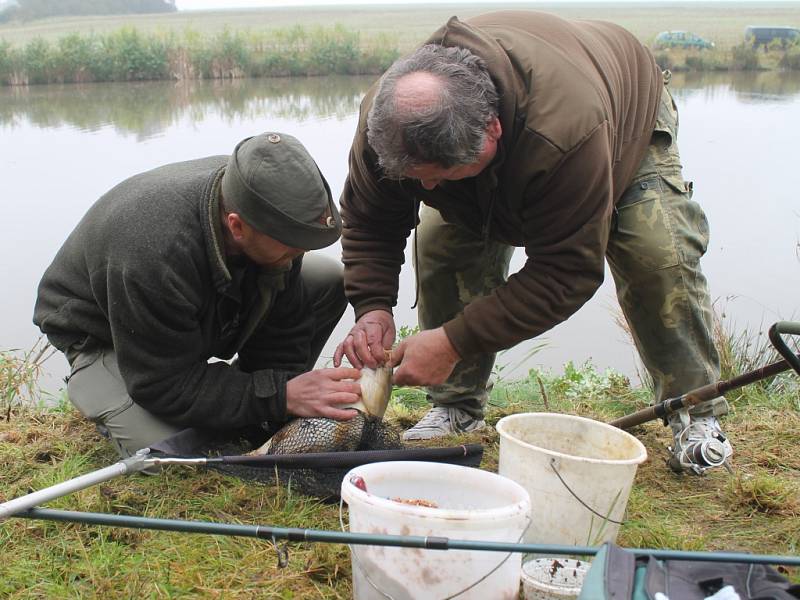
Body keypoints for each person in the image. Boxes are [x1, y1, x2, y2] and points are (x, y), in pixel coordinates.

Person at [334, 11, 732, 473]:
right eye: (417, 179)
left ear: (493, 132)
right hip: (509, 139)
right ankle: (455, 407)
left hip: (624, 121)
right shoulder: (386, 123)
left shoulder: (566, 130)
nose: (429, 190)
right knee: (443, 245)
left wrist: (453, 340)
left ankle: (696, 412)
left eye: (441, 176)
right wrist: (373, 306)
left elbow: (566, 271)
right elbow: (368, 219)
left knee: (655, 255)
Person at [34, 132, 363, 460]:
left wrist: (278, 399)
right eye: (291, 244)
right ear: (237, 226)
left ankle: (245, 403)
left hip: (193, 299)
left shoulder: (269, 205)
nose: (299, 251)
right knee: (174, 455)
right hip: (107, 335)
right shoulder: (153, 253)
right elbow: (164, 384)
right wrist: (280, 395)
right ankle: (97, 384)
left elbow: (284, 326)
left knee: (324, 280)